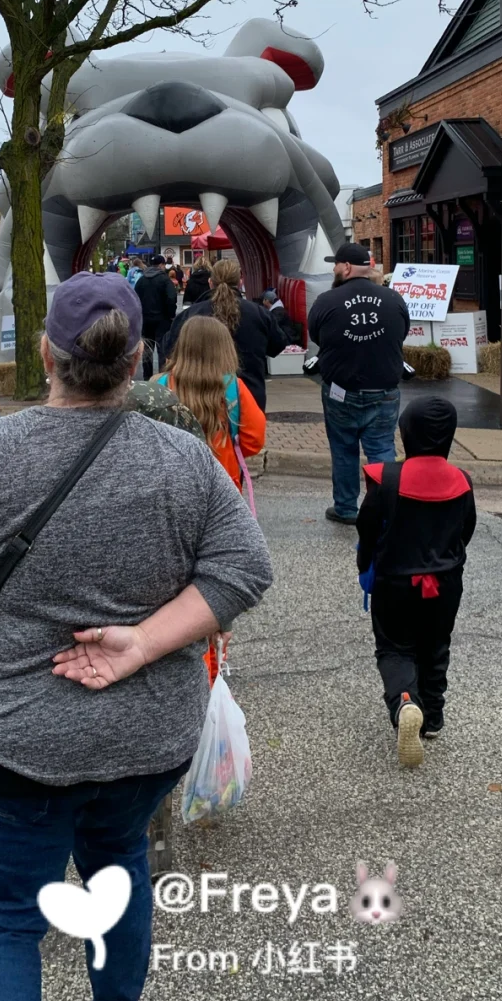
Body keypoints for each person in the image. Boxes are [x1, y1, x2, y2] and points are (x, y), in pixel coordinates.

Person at [0, 272, 272, 1001]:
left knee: (2, 917)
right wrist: (144, 642)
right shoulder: (181, 459)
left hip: (18, 738)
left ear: (46, 352)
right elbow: (245, 568)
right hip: (147, 735)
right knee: (117, 867)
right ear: (135, 361)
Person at [355, 397, 476, 768]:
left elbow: (367, 528)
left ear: (406, 434)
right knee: (436, 645)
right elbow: (465, 530)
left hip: (395, 583)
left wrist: (365, 569)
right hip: (445, 584)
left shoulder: (387, 479)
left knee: (394, 648)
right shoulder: (461, 481)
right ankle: (433, 716)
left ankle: (406, 702)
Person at [307, 242, 410, 526]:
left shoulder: (326, 301)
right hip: (384, 390)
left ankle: (346, 508)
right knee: (381, 449)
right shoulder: (393, 299)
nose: (334, 269)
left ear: (347, 267)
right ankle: (385, 509)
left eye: (336, 264)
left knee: (343, 449)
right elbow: (402, 332)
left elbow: (317, 336)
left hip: (341, 391)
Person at [156, 316, 266, 490]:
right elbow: (254, 439)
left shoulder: (159, 386)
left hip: (170, 482)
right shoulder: (233, 387)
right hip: (223, 481)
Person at [165, 258, 285, 411]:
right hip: (249, 395)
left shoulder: (191, 314)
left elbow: (169, 348)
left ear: (210, 282)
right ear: (239, 282)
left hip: (201, 397)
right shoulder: (259, 314)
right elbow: (278, 346)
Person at [133, 252, 177, 379]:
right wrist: (171, 314)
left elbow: (135, 299)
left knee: (147, 350)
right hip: (162, 320)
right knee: (163, 349)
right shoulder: (164, 280)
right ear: (162, 265)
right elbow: (171, 297)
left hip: (145, 320)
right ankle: (162, 377)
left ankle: (148, 377)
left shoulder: (141, 280)